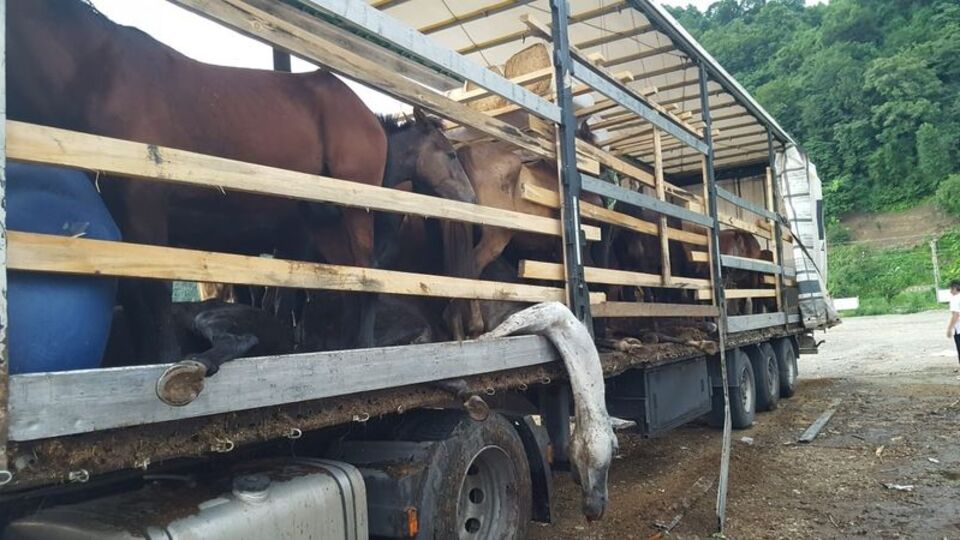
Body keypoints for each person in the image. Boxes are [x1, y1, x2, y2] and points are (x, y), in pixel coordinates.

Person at [947, 280, 960, 367]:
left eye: (951, 289)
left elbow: (956, 315)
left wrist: (949, 328)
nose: (950, 291)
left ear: (955, 288)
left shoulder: (955, 299)